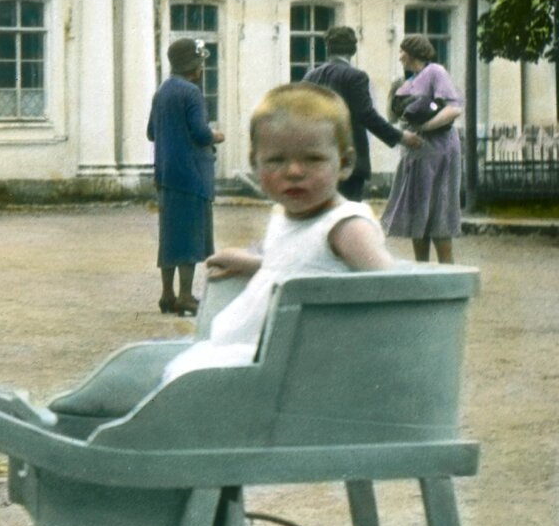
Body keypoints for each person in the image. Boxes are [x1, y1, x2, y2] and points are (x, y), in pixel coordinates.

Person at [162, 82, 395, 384]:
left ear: (345, 163)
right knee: (180, 373)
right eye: (276, 160)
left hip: (298, 366)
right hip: (257, 352)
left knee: (187, 382)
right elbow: (303, 266)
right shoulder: (284, 215)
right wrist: (255, 264)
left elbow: (395, 290)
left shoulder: (346, 226)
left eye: (313, 158)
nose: (294, 171)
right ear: (255, 165)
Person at [147, 37, 225, 315]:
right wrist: (217, 135)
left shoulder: (162, 91)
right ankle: (185, 296)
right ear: (194, 65)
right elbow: (201, 133)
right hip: (192, 175)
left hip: (166, 174)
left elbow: (151, 133)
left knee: (170, 236)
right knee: (190, 237)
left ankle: (167, 295)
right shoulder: (191, 92)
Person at [302, 25, 422, 199]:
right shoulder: (355, 77)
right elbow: (366, 115)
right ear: (353, 49)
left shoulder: (310, 77)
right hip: (348, 163)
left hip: (316, 160)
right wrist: (401, 137)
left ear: (328, 48)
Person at [381, 35, 464, 264]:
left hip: (438, 149)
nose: (399, 57)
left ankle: (447, 273)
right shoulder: (408, 80)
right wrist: (395, 94)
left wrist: (424, 127)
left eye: (403, 51)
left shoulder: (436, 71)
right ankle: (422, 270)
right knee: (419, 214)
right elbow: (393, 116)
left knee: (439, 212)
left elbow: (453, 108)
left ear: (414, 52)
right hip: (416, 153)